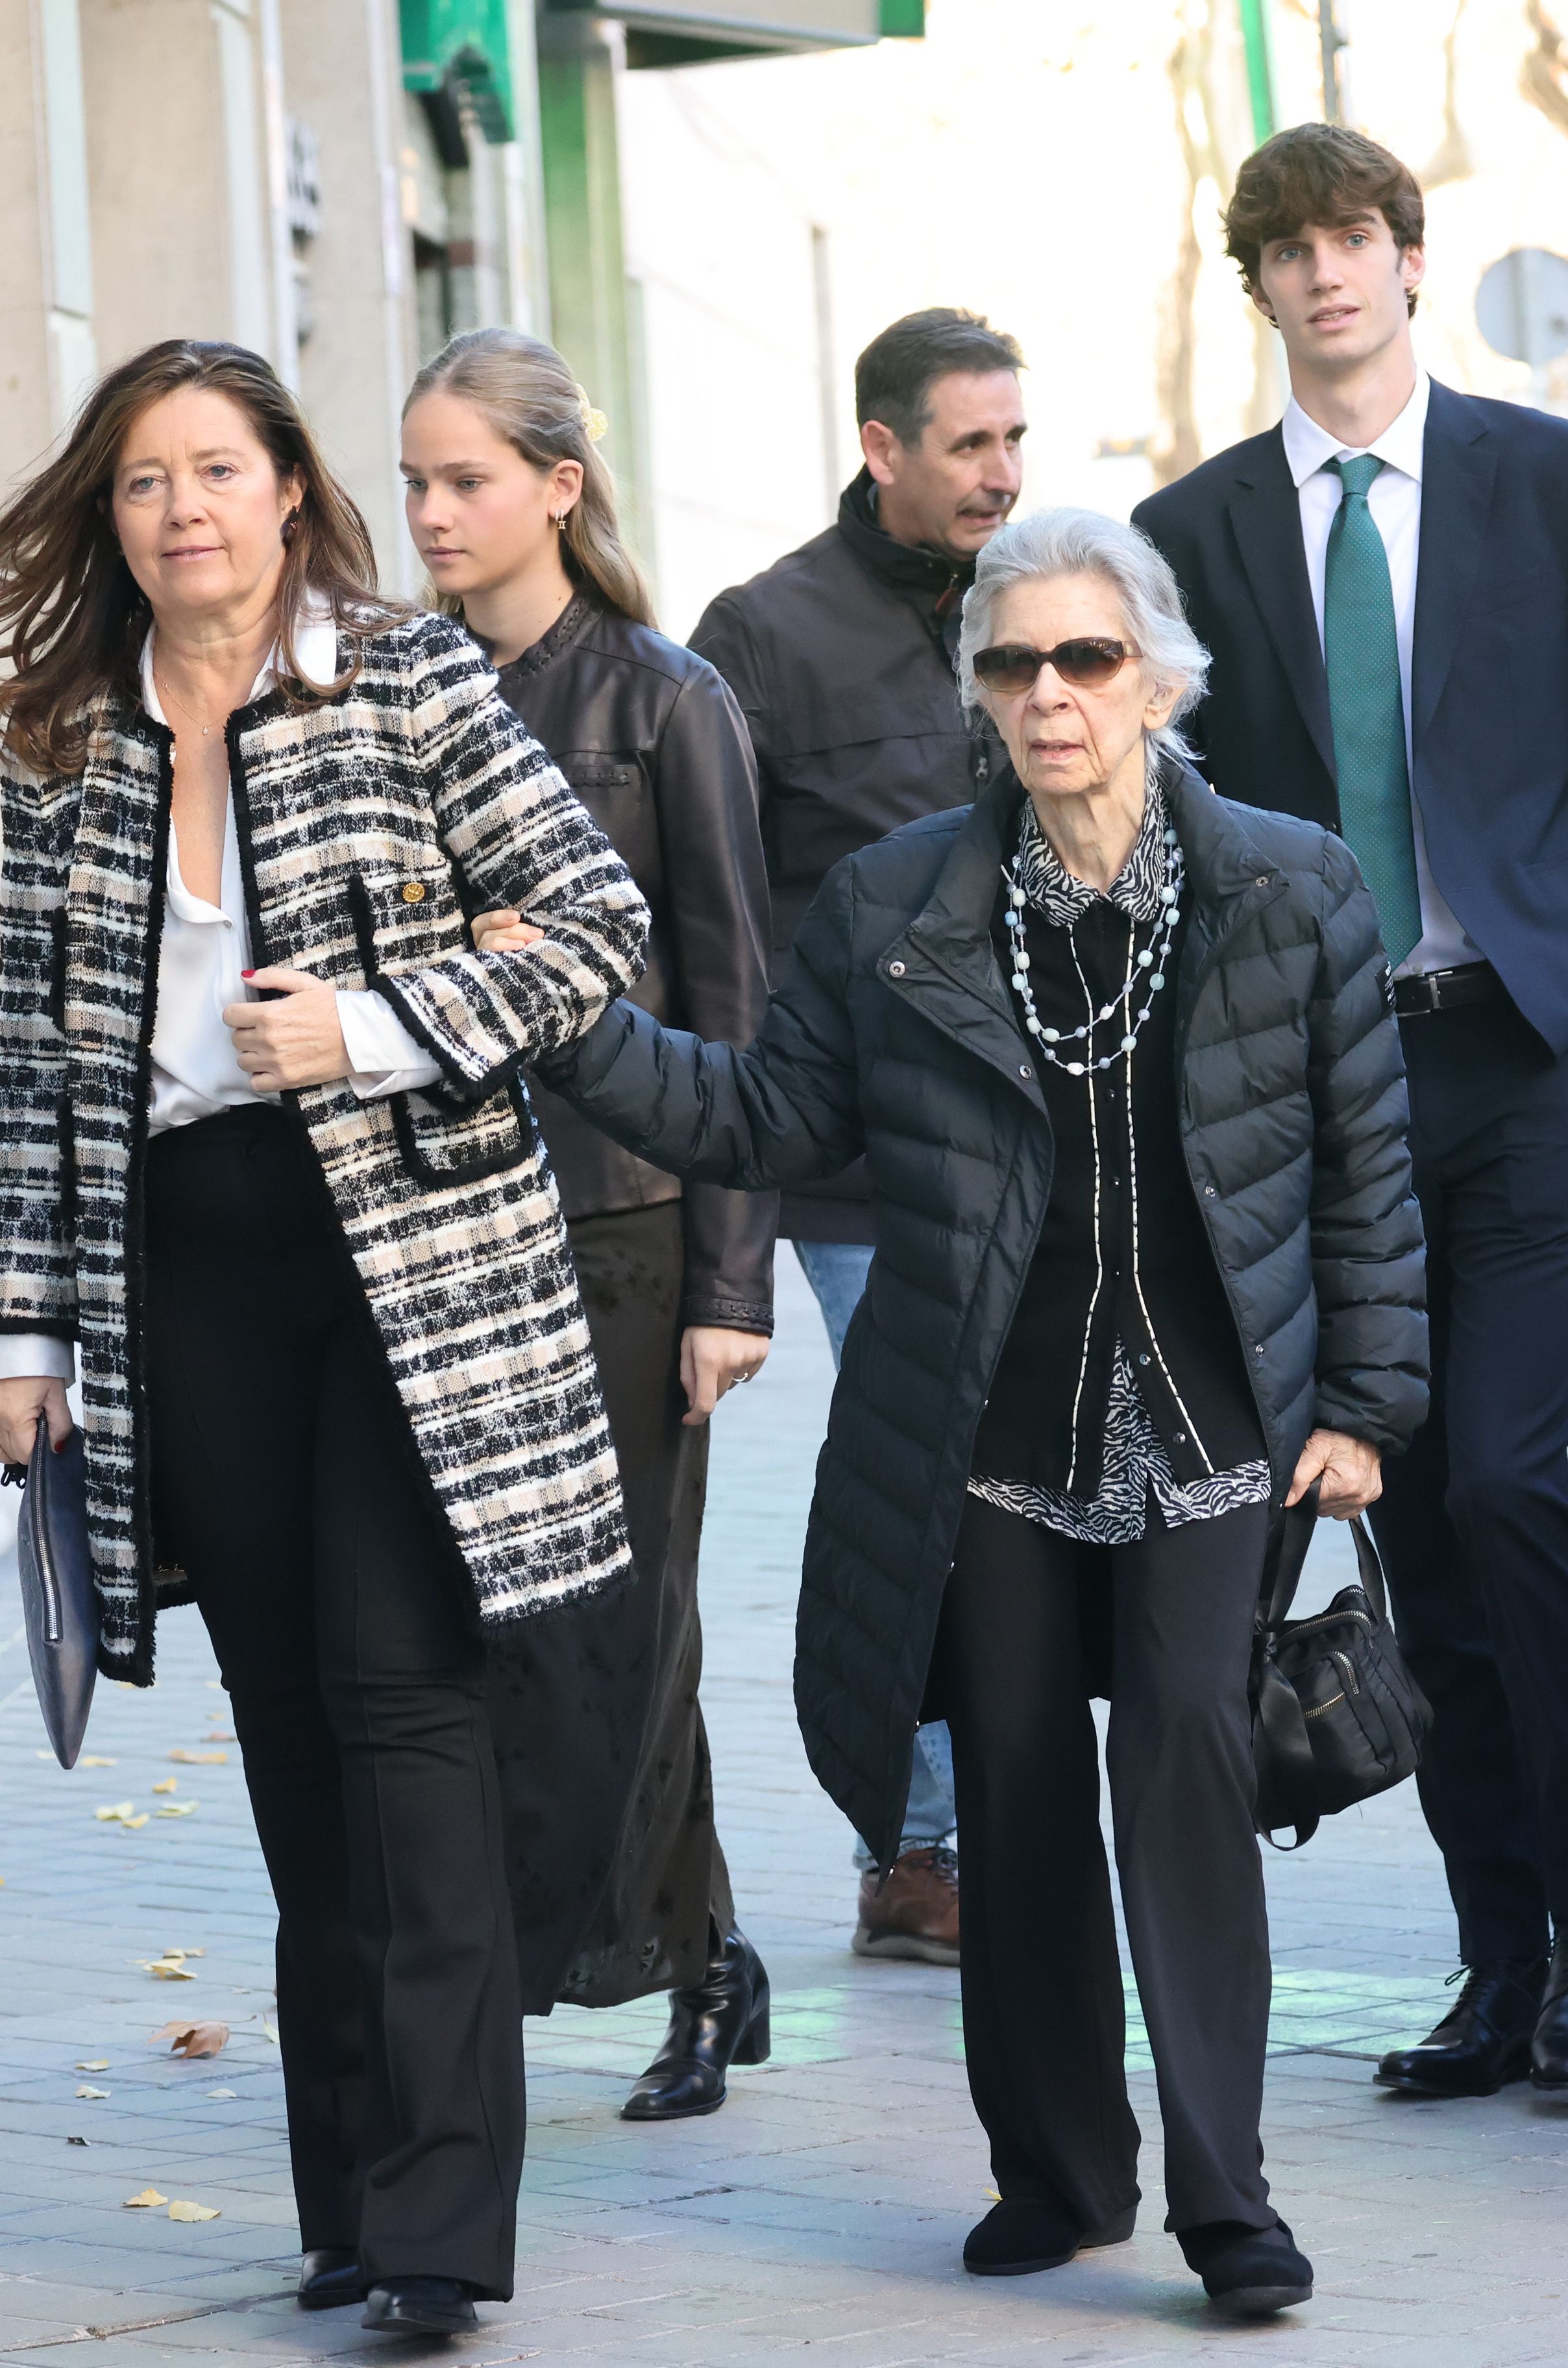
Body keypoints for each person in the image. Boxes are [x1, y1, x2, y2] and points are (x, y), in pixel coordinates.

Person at [487, 509, 1427, 2315]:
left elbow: (1363, 1165)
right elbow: (768, 1118)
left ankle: (1226, 2198)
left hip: (1214, 1422)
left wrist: (1371, 1400)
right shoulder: (899, 898)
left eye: (1082, 660)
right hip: (980, 1430)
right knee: (1006, 1794)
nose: (1047, 695)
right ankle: (1059, 2175)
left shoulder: (1288, 886)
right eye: (1010, 665)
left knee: (1180, 1764)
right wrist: (576, 1027)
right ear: (975, 695)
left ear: (1153, 677)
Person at [0, 341, 648, 2335]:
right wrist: (24, 1330)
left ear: (289, 490)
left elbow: (592, 924)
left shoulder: (408, 679)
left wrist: (363, 1027)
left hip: (408, 1272)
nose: (181, 509)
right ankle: (353, 2199)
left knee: (407, 1715)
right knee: (291, 1742)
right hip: (186, 1276)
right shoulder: (58, 739)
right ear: (108, 521)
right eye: (140, 483)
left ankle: (444, 2226)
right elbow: (28, 1063)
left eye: (217, 469)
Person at [1135, 122, 1568, 2095]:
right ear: (1263, 287)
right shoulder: (1194, 532)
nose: (1324, 278)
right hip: (1332, 1084)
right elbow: (1170, 835)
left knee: (1502, 1481)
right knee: (1406, 1522)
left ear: (1402, 257)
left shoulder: (1544, 481)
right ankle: (1496, 1964)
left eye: (1351, 242)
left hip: (1530, 1052)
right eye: (1283, 252)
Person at [400, 327, 776, 2119]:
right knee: (486, 1630)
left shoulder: (659, 699)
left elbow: (737, 1009)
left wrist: (728, 1280)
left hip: (627, 1237)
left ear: (556, 487)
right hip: (436, 1245)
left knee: (624, 1628)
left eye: (462, 478)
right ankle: (670, 1945)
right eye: (410, 481)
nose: (429, 513)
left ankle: (688, 1971)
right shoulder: (382, 695)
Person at [689, 306, 1028, 1964]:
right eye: (967, 444)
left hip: (1046, 1138)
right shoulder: (758, 636)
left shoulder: (1046, 611)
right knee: (930, 1484)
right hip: (857, 1169)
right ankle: (918, 1847)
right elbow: (718, 922)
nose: (999, 474)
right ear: (881, 447)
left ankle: (992, 1817)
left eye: (1013, 440)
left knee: (1022, 1480)